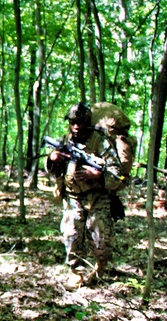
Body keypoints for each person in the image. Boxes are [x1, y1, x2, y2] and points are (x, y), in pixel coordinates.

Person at [45, 101, 132, 289]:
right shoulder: (67, 139)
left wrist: (99, 176)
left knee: (100, 238)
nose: (76, 127)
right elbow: (55, 171)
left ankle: (100, 268)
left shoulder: (100, 141)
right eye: (72, 123)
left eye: (80, 123)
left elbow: (117, 171)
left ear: (88, 122)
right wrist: (53, 160)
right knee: (71, 235)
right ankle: (75, 272)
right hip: (73, 197)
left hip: (97, 196)